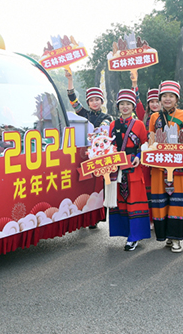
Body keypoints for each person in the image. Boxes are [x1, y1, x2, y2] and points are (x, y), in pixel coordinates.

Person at [146, 81, 183, 252]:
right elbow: (151, 141)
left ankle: (176, 238)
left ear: (177, 99)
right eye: (164, 96)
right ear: (160, 99)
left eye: (171, 96)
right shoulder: (154, 117)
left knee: (177, 202)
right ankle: (166, 235)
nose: (167, 99)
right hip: (159, 167)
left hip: (180, 168)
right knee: (162, 202)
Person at [65, 69, 112, 229]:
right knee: (83, 186)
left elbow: (103, 129)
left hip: (99, 156)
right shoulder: (83, 114)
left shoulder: (107, 117)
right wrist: (70, 80)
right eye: (91, 100)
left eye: (97, 99)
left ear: (102, 101)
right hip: (83, 156)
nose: (94, 102)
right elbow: (73, 100)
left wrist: (99, 130)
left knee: (98, 186)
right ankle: (83, 214)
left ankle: (95, 216)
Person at [108, 89, 150, 251]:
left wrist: (139, 155)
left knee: (135, 201)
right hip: (117, 167)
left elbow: (145, 143)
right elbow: (108, 144)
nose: (125, 107)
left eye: (128, 104)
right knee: (120, 200)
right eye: (122, 104)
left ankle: (135, 236)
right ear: (118, 106)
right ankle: (126, 232)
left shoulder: (139, 124)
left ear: (133, 106)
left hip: (133, 166)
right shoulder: (113, 124)